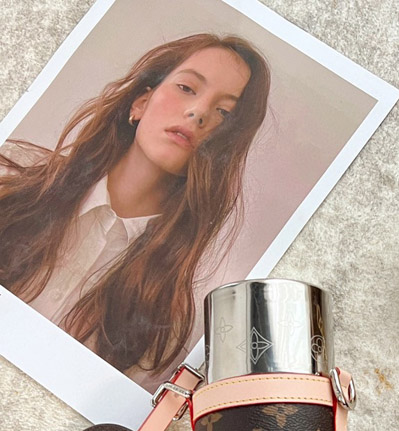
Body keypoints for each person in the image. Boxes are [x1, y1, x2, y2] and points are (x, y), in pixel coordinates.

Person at [0, 33, 270, 386]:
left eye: (224, 113)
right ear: (141, 103)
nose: (199, 112)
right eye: (187, 88)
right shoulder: (12, 180)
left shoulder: (165, 319)